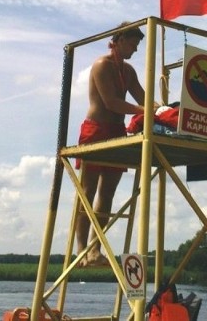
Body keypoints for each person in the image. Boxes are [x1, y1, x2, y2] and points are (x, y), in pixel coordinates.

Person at [75, 22, 152, 267]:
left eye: (138, 44)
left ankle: (95, 249)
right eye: (132, 43)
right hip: (96, 130)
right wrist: (148, 110)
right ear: (118, 40)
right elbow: (111, 102)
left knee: (107, 193)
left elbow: (143, 98)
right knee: (87, 192)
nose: (135, 49)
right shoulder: (101, 65)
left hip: (117, 132)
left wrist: (163, 108)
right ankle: (81, 250)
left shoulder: (128, 71)